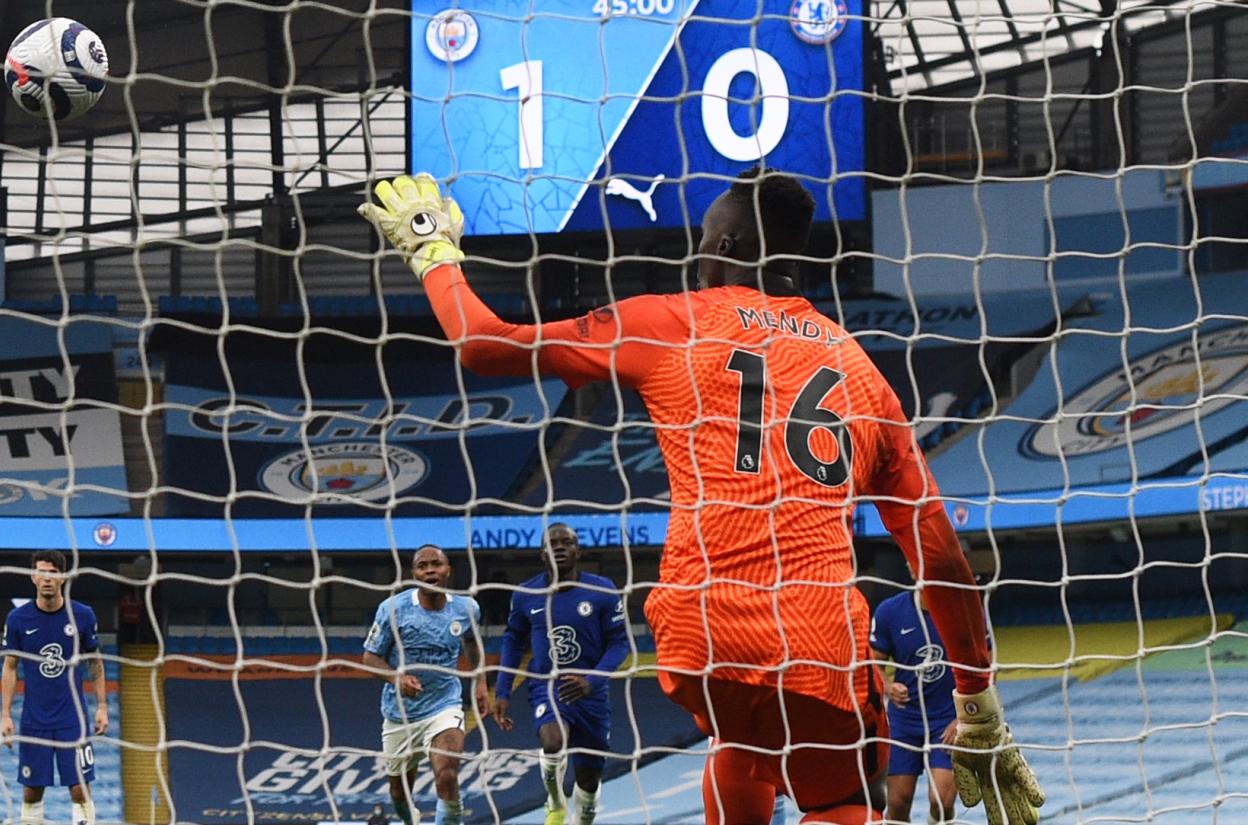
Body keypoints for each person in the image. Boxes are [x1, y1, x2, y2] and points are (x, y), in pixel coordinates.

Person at [361, 172, 1041, 825]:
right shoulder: (864, 374)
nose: (696, 261)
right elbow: (941, 554)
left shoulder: (670, 320)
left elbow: (484, 342)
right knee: (836, 801)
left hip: (701, 630)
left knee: (744, 742)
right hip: (816, 635)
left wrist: (431, 247)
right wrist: (976, 697)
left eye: (702, 246)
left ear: (726, 247)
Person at [493, 524, 630, 825]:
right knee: (552, 741)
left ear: (578, 551)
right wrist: (502, 692)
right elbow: (512, 641)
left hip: (591, 695)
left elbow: (620, 645)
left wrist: (591, 681)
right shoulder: (527, 594)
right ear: (542, 554)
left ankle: (581, 817)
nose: (559, 547)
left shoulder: (603, 590)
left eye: (566, 542)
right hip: (546, 684)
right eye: (552, 543)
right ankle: (555, 801)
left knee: (589, 780)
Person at [360, 545, 494, 825]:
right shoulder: (393, 609)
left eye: (436, 564)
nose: (430, 570)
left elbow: (471, 641)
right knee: (399, 794)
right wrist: (396, 678)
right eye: (423, 566)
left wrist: (480, 680)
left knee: (446, 774)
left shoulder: (467, 608)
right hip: (400, 714)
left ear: (448, 571)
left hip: (444, 705)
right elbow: (369, 657)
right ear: (414, 574)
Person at [0, 551, 109, 825]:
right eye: (41, 572)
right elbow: (10, 666)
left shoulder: (82, 615)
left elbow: (95, 662)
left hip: (74, 718)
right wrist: (5, 714)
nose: (46, 579)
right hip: (34, 719)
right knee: (32, 790)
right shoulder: (17, 619)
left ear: (62, 577)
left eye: (52, 573)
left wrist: (102, 707)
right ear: (33, 577)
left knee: (80, 787)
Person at [872, 589, 970, 824]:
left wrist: (964, 718)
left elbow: (985, 668)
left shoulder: (965, 609)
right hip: (904, 722)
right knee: (897, 802)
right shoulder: (889, 611)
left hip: (948, 720)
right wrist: (887, 686)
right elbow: (874, 662)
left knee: (942, 802)